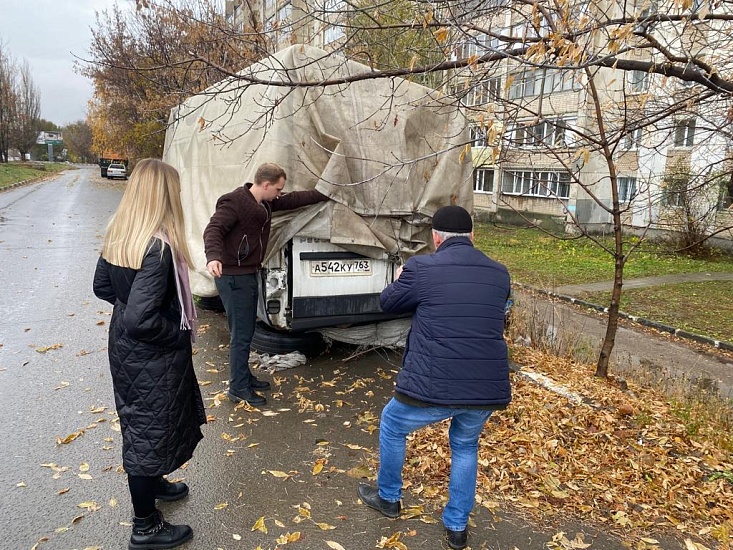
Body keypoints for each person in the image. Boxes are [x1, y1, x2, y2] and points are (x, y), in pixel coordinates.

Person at [357, 205, 512, 550]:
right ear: (473, 236)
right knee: (465, 445)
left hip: (435, 381)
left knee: (393, 424)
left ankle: (389, 499)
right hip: (485, 384)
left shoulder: (421, 268)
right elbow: (497, 312)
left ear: (436, 238)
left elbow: (388, 303)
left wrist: (399, 279)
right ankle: (456, 528)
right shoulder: (500, 273)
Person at [93, 159, 206, 550]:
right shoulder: (157, 247)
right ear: (164, 196)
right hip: (151, 355)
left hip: (126, 351)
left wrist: (129, 312)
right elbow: (142, 319)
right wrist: (176, 335)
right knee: (145, 435)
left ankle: (154, 483)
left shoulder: (120, 234)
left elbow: (103, 288)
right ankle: (146, 527)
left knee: (144, 425)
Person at [203, 162, 328, 406]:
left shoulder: (266, 203)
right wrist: (213, 256)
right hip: (233, 277)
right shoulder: (234, 202)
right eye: (278, 189)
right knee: (241, 335)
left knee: (246, 330)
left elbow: (294, 199)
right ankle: (238, 388)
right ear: (266, 184)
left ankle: (244, 377)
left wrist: (325, 193)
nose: (280, 194)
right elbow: (214, 229)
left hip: (247, 274)